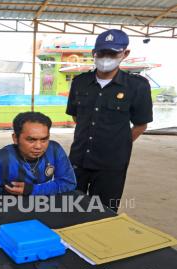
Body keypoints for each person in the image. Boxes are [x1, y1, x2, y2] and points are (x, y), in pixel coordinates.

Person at [65, 29, 153, 212]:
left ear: (124, 53)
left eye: (112, 53)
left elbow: (141, 124)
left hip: (111, 165)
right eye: (101, 52)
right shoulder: (79, 82)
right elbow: (76, 116)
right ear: (94, 53)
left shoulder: (137, 86)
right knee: (68, 209)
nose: (106, 57)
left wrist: (117, 144)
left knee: (104, 213)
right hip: (78, 160)